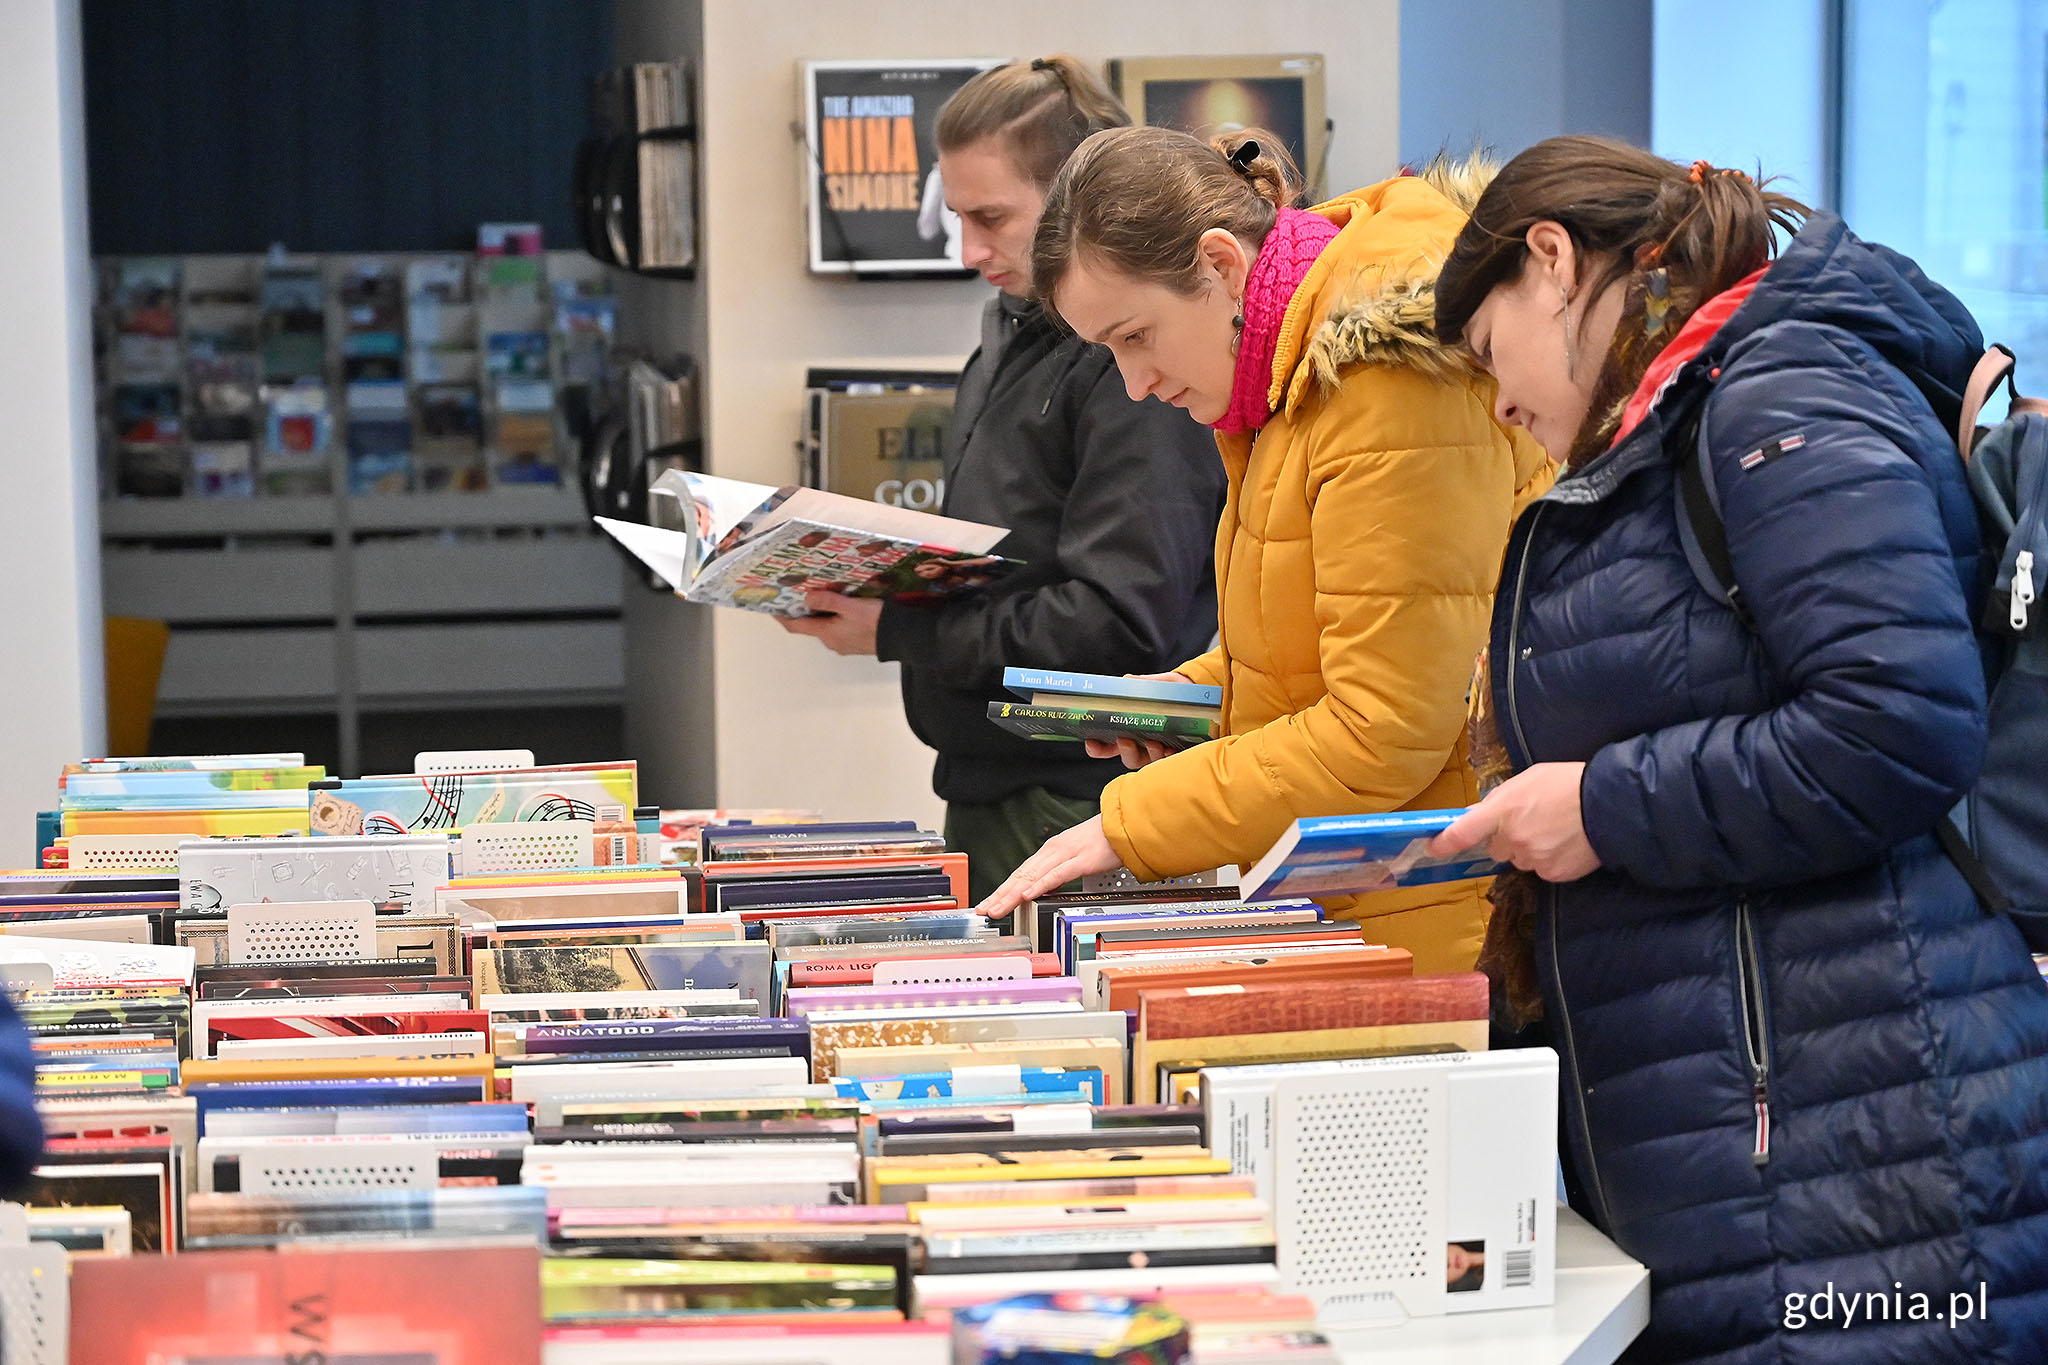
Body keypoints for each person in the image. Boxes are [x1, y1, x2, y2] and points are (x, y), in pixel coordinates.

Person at [1425, 135, 2048, 1361]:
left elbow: (1892, 724)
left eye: (1492, 354)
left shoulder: (1774, 395)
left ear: (1551, 261)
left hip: (1861, 1169)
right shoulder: (1688, 417)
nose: (1499, 405)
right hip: (1785, 1146)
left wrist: (1600, 807)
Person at [973, 128, 1551, 974]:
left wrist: (1132, 824)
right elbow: (1330, 638)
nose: (1135, 384)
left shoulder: (1384, 386)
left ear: (1221, 264)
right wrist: (1184, 699)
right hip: (1376, 912)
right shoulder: (1290, 369)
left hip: (1441, 931)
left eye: (1136, 336)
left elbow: (1384, 730)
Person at [781, 58, 1224, 905]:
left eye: (991, 218)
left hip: (1082, 795)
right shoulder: (1012, 338)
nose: (970, 249)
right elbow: (1012, 560)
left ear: (1076, 198)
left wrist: (901, 630)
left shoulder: (1135, 368)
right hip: (995, 781)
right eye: (957, 217)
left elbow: (1118, 625)